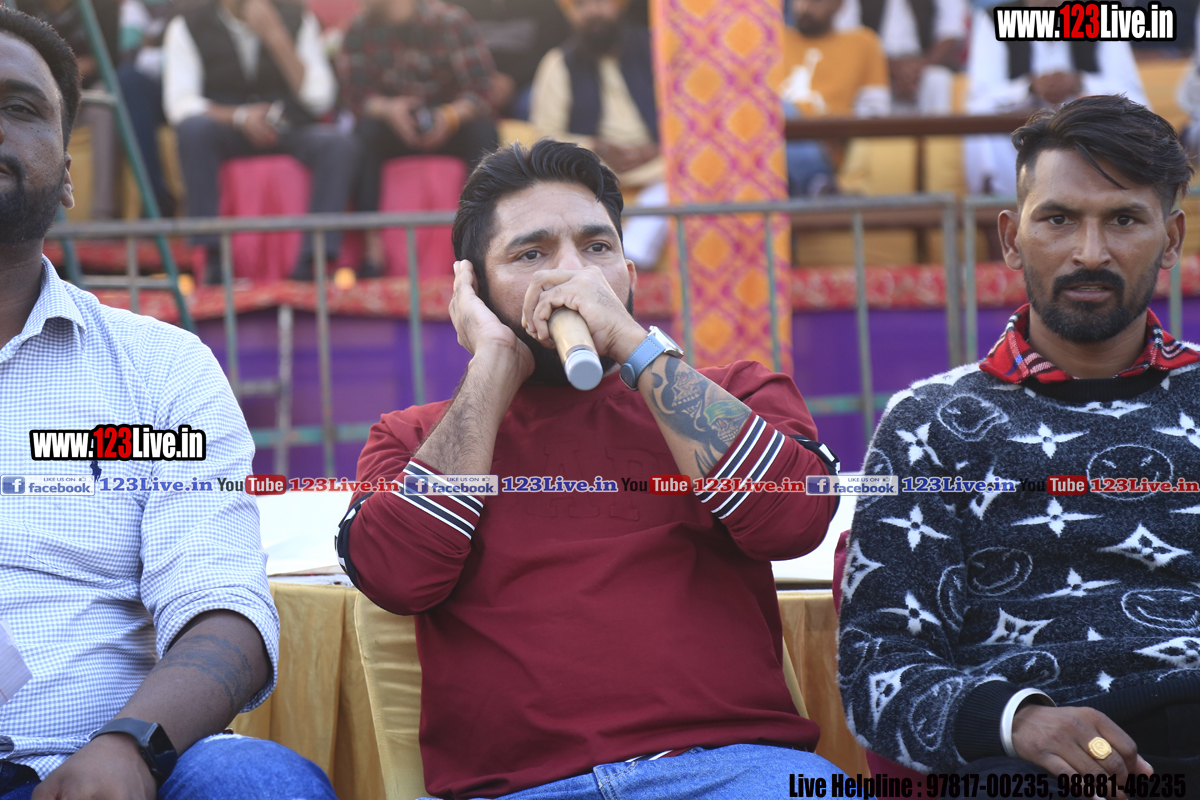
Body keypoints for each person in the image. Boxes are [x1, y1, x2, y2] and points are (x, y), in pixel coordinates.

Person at [336, 139, 850, 799]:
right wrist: (492, 362)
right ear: (474, 291)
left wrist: (635, 346)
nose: (571, 275)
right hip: (518, 791)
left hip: (736, 771)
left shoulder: (738, 393)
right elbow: (398, 577)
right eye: (531, 254)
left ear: (629, 275)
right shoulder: (410, 438)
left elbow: (792, 520)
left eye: (597, 248)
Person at [0, 8, 338, 799]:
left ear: (68, 174)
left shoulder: (158, 371)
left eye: (17, 107)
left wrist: (128, 746)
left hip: (88, 768)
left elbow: (221, 606)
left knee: (256, 784)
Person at [838, 95, 1200, 789]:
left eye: (1124, 219)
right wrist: (1015, 721)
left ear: (1171, 238)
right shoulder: (931, 426)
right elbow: (876, 666)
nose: (1089, 252)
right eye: (1058, 219)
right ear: (1010, 238)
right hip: (1032, 764)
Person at [162, 0, 359, 282]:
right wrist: (240, 117)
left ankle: (313, 260)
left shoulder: (296, 18)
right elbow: (180, 105)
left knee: (338, 145)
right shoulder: (188, 24)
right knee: (193, 130)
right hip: (229, 129)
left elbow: (319, 98)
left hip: (287, 127)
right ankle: (213, 258)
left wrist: (276, 36)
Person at [338, 0, 500, 278]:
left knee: (484, 132)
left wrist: (449, 116)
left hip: (450, 119)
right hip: (391, 123)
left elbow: (482, 89)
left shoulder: (450, 21)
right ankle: (372, 249)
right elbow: (354, 94)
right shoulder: (359, 28)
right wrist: (389, 110)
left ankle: (480, 244)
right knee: (363, 136)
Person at [529, 0, 666, 269]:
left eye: (601, 1)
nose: (593, 11)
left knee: (687, 173)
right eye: (581, 4)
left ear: (620, 5)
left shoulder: (659, 49)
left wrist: (658, 150)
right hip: (595, 167)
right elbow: (544, 137)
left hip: (659, 164)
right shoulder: (559, 63)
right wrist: (596, 147)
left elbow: (691, 116)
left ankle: (632, 256)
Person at [963, 0, 1146, 196]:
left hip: (1090, 127)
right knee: (979, 114)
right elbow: (981, 96)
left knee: (1131, 116)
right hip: (1018, 129)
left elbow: (1134, 97)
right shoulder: (995, 19)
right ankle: (1001, 204)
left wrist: (1080, 82)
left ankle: (1112, 198)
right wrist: (1029, 88)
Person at [16, 0, 121, 220]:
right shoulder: (21, 5)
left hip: (85, 95)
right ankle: (26, 213)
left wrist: (59, 72)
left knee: (104, 100)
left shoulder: (103, 6)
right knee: (19, 105)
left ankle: (102, 214)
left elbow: (108, 58)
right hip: (37, 92)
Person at [780, 0, 890, 196]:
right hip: (774, 151)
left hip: (831, 150)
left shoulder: (862, 43)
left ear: (840, 5)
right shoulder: (772, 39)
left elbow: (876, 111)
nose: (804, 8)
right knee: (780, 108)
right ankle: (817, 185)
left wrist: (837, 128)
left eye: (816, 2)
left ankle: (817, 184)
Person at [831, 0, 964, 115]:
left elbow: (951, 30)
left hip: (924, 65)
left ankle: (938, 136)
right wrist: (890, 68)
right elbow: (848, 34)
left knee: (938, 80)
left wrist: (918, 69)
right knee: (866, 87)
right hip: (874, 66)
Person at [445, 0, 571, 119]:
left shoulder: (544, 5)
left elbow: (553, 52)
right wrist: (483, 82)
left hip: (526, 82)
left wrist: (512, 80)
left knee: (534, 106)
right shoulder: (457, 6)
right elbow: (446, 55)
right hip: (471, 82)